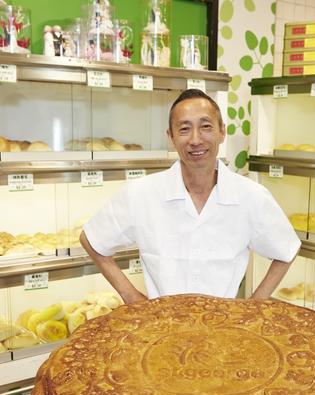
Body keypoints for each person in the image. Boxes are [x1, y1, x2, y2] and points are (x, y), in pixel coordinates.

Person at [80, 89, 300, 304]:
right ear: (171, 137)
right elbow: (91, 239)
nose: (195, 140)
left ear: (222, 132)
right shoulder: (141, 194)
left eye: (205, 127)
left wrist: (256, 304)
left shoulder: (251, 196)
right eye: (184, 129)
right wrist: (131, 296)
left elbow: (287, 249)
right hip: (161, 329)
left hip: (222, 329)